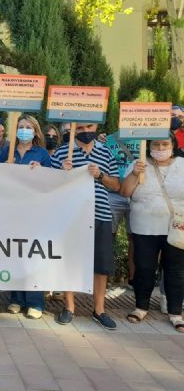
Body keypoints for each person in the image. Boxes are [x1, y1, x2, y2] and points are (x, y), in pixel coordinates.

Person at [51, 122, 120, 329]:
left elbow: (116, 185)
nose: (85, 132)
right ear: (72, 131)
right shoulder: (62, 153)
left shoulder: (105, 153)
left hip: (100, 215)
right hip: (71, 216)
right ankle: (69, 307)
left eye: (89, 127)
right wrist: (63, 174)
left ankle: (99, 310)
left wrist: (100, 175)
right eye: (79, 128)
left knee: (101, 265)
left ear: (96, 126)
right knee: (69, 261)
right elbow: (50, 186)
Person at [120, 133, 184, 332]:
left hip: (176, 228)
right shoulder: (138, 164)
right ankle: (141, 307)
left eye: (165, 144)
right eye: (156, 144)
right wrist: (134, 174)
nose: (161, 147)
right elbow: (125, 192)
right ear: (149, 146)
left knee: (176, 270)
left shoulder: (182, 165)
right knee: (145, 267)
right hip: (144, 226)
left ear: (173, 145)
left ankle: (175, 313)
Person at [0, 115, 51, 319]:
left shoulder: (42, 154)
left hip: (34, 212)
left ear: (36, 131)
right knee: (15, 255)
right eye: (20, 127)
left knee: (33, 256)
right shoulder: (7, 151)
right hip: (12, 211)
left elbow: (52, 181)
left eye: (28, 127)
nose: (24, 130)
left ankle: (35, 302)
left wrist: (41, 171)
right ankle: (16, 299)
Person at [100, 130, 141, 286]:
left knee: (136, 238)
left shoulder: (146, 138)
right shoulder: (108, 140)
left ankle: (133, 279)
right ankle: (104, 277)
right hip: (112, 194)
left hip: (137, 194)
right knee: (107, 237)